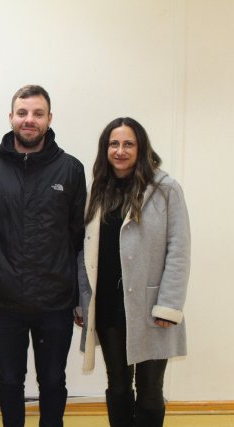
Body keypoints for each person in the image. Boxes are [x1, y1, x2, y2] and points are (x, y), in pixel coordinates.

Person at [0, 85, 86, 427]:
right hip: (2, 301)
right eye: (22, 113)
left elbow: (78, 235)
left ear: (49, 118)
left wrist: (74, 290)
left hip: (55, 301)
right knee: (9, 380)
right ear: (11, 117)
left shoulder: (71, 169)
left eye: (38, 114)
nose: (29, 120)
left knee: (53, 380)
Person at [76, 117, 191, 427]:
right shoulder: (97, 190)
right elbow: (84, 250)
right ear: (105, 149)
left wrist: (169, 305)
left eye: (129, 144)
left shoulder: (166, 189)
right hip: (109, 307)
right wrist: (83, 301)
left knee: (150, 391)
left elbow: (179, 250)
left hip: (151, 308)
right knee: (118, 386)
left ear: (141, 149)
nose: (120, 151)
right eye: (114, 144)